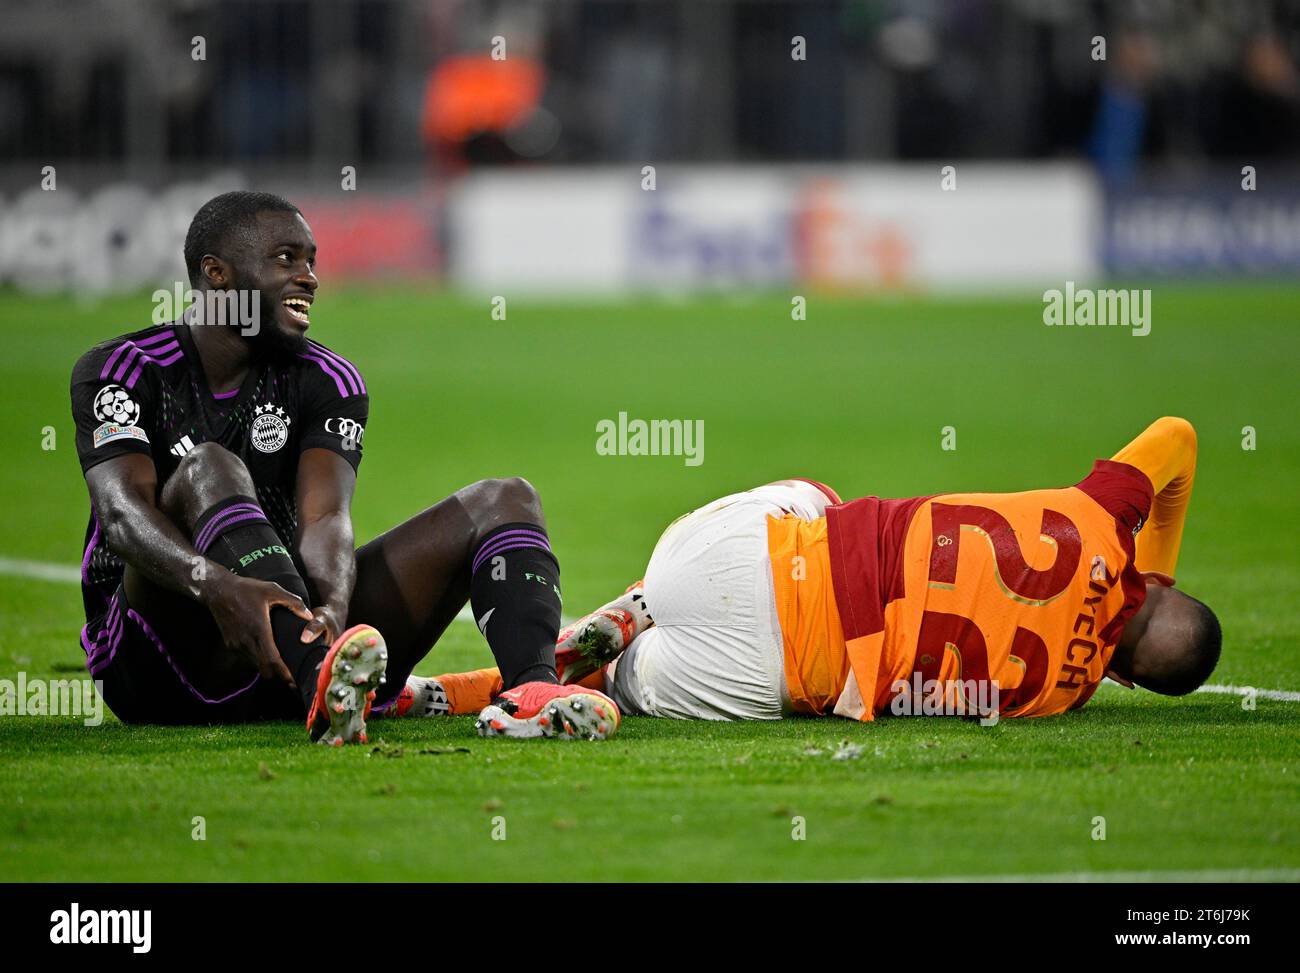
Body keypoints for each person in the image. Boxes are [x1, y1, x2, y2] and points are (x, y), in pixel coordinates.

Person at [73, 191, 619, 745]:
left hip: (288, 642)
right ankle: (321, 678)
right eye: (286, 259)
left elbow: (325, 516)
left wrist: (332, 607)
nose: (309, 277)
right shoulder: (125, 370)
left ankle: (531, 693)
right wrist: (215, 585)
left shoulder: (327, 380)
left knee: (507, 498)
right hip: (159, 659)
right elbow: (121, 516)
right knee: (210, 466)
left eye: (311, 260)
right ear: (216, 274)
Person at [410, 417, 1218, 726]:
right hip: (776, 673)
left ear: (1152, 591)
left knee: (817, 496)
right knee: (620, 679)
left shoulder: (1102, 517)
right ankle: (566, 686)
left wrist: (1158, 563)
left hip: (740, 558)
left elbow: (1177, 436)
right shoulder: (1062, 696)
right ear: (1132, 681)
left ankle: (631, 607)